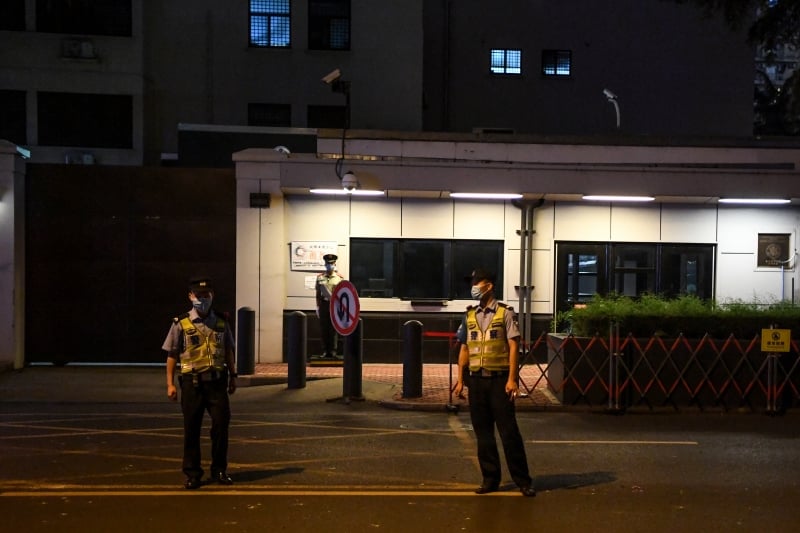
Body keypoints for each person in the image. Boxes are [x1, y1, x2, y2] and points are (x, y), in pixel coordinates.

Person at [453, 268, 536, 497]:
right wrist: (460, 380)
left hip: (499, 382)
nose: (473, 286)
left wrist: (512, 379)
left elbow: (513, 346)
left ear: (489, 285)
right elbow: (464, 348)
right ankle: (490, 479)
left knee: (509, 433)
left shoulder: (505, 313)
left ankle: (523, 480)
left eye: (476, 282)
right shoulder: (469, 314)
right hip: (476, 382)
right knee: (483, 434)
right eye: (472, 282)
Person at [163, 276, 237, 490]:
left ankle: (220, 470)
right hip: (192, 384)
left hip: (217, 384)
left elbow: (228, 351)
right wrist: (170, 384)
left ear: (212, 296)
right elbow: (172, 355)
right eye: (198, 296)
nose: (203, 299)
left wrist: (233, 376)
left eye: (206, 295)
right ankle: (193, 473)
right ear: (190, 296)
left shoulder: (222, 322)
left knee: (221, 427)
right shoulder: (181, 323)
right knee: (192, 429)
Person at [316, 253, 343, 357]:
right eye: (327, 263)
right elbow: (318, 294)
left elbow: (341, 294)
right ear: (325, 264)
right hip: (323, 304)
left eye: (331, 263)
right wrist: (317, 307)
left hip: (334, 305)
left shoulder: (339, 278)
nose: (329, 265)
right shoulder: (320, 278)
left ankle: (333, 351)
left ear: (335, 264)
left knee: (333, 329)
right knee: (324, 328)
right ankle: (325, 351)